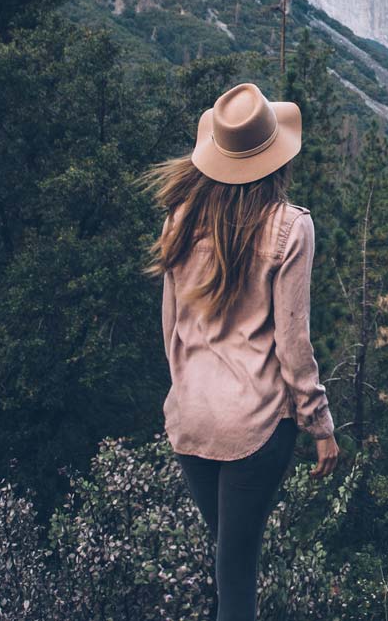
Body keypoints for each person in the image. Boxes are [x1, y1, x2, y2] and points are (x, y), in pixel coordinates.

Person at [145, 82, 340, 621]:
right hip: (254, 425)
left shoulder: (179, 219)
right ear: (275, 156)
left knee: (226, 559)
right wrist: (319, 424)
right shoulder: (290, 227)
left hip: (192, 421)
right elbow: (293, 343)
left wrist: (186, 389)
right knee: (238, 568)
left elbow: (171, 328)